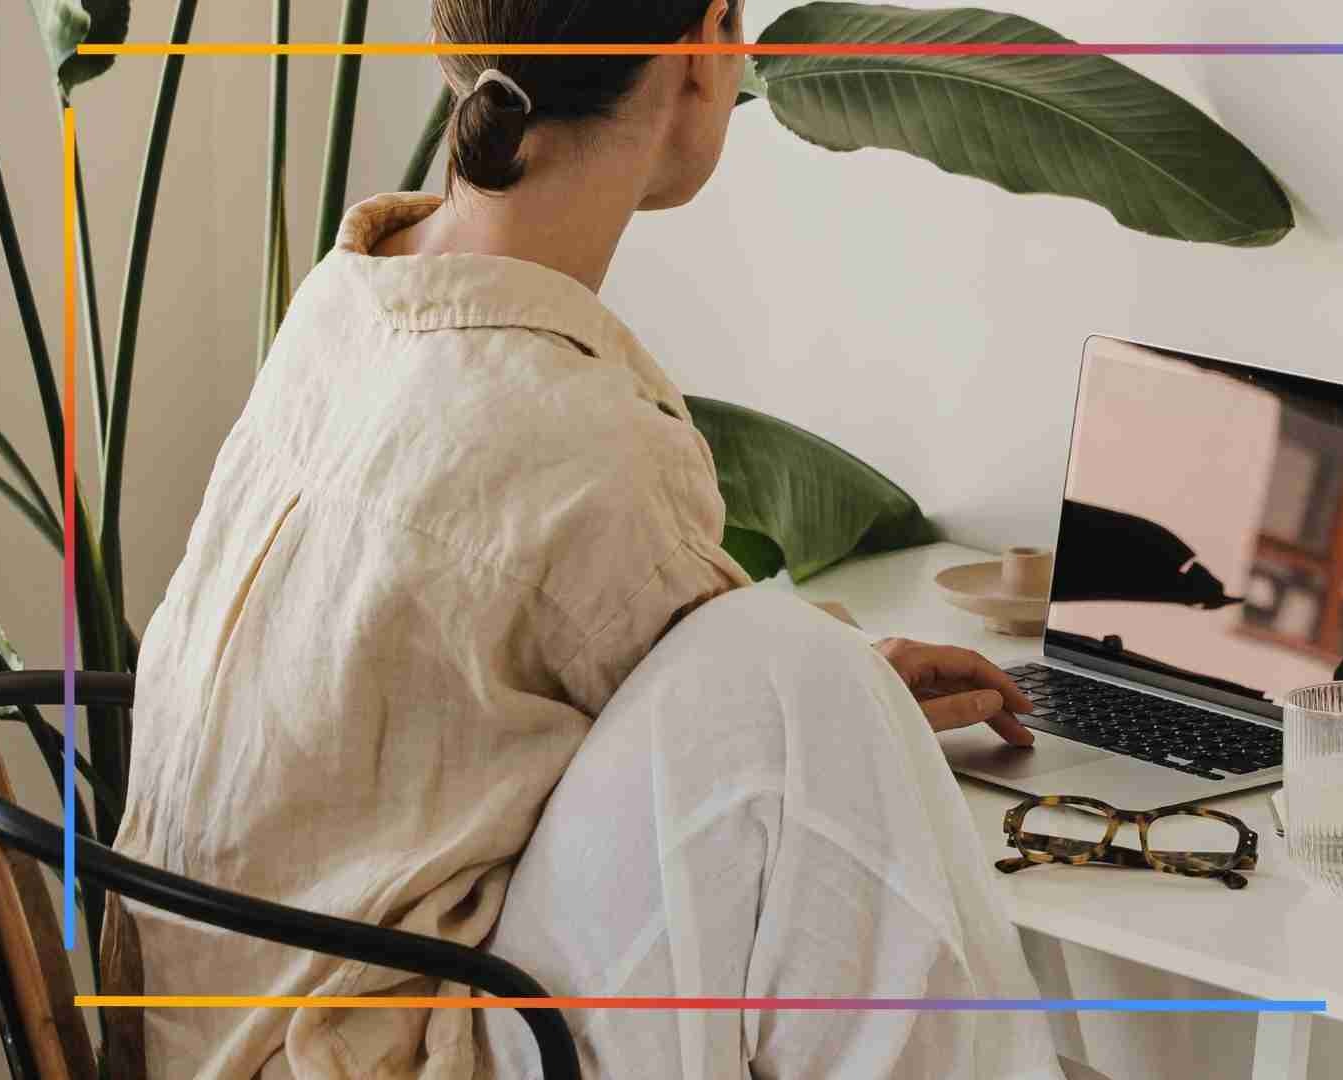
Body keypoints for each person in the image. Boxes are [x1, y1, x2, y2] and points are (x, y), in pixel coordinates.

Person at [110, 1, 1060, 1075]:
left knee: (808, 678)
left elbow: (640, 686)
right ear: (703, 51)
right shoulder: (586, 438)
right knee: (802, 674)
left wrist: (836, 692)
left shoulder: (349, 298)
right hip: (365, 1051)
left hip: (176, 1030)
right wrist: (841, 698)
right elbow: (747, 706)